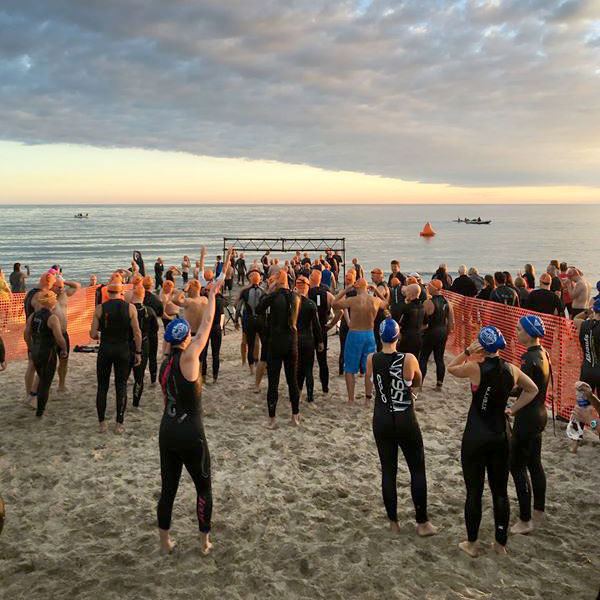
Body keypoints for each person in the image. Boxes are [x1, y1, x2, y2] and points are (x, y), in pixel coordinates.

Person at [447, 326, 538, 558]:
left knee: (474, 492)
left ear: (482, 347)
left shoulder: (474, 368)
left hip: (476, 436)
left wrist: (467, 350)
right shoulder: (512, 369)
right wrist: (513, 410)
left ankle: (472, 544)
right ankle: (500, 544)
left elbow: (451, 368)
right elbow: (532, 389)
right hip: (500, 435)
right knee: (500, 492)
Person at [157, 281, 222, 556]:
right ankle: (204, 541)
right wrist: (213, 294)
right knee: (203, 486)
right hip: (191, 432)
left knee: (168, 489)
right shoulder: (189, 358)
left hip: (167, 429)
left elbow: (167, 398)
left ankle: (164, 541)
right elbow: (207, 325)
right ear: (186, 338)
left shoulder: (165, 364)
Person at [367, 318, 437, 537]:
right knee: (417, 470)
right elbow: (418, 381)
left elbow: (371, 385)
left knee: (389, 470)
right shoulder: (408, 359)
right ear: (398, 337)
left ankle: (393, 523)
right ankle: (422, 523)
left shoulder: (372, 358)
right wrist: (411, 392)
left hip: (382, 418)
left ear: (380, 336)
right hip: (405, 417)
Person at [510, 315, 551, 535]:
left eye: (519, 330)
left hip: (527, 416)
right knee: (535, 463)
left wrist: (511, 409)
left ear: (529, 332)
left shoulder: (528, 358)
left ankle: (525, 520)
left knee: (516, 466)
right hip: (540, 413)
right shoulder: (544, 353)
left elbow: (526, 389)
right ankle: (539, 510)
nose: (517, 333)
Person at [90, 280, 142, 433]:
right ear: (121, 292)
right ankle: (119, 424)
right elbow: (137, 333)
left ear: (107, 293)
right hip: (123, 350)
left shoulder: (100, 308)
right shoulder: (131, 308)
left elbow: (93, 334)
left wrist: (103, 334)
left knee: (102, 386)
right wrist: (138, 352)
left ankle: (102, 424)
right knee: (121, 386)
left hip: (105, 349)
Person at [256, 270, 301, 428]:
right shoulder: (296, 296)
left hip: (275, 342)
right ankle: (295, 417)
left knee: (273, 382)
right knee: (292, 381)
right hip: (292, 341)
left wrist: (269, 290)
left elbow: (259, 309)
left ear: (277, 281)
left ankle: (272, 420)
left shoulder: (273, 296)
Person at [333, 278, 386, 404]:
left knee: (350, 369)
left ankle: (351, 399)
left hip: (355, 334)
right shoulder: (375, 300)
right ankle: (368, 399)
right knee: (369, 369)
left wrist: (346, 289)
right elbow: (386, 304)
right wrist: (377, 292)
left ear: (356, 287)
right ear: (368, 288)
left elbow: (334, 304)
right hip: (369, 335)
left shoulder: (352, 300)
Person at [24, 291, 68, 417]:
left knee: (41, 377)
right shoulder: (52, 318)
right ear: (52, 303)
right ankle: (40, 411)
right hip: (47, 352)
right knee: (45, 383)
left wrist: (30, 347)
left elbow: (26, 334)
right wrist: (64, 349)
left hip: (35, 351)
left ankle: (34, 398)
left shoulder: (33, 316)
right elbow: (59, 338)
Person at [419, 280, 454, 390]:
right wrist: (447, 333)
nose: (427, 288)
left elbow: (422, 321)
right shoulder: (447, 302)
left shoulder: (428, 303)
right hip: (442, 332)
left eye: (429, 287)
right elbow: (451, 322)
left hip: (431, 332)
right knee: (439, 359)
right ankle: (439, 385)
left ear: (434, 289)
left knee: (423, 358)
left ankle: (419, 384)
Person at [127, 277, 156, 408]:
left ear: (133, 295)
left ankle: (123, 400)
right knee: (139, 377)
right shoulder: (149, 311)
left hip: (127, 344)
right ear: (143, 295)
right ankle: (135, 403)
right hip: (143, 343)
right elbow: (155, 329)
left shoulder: (126, 310)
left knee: (123, 376)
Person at [295, 276, 324, 404]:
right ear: (307, 287)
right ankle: (310, 397)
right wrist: (320, 341)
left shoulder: (292, 303)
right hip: (308, 339)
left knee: (298, 368)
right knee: (308, 369)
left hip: (295, 339)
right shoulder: (310, 303)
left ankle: (298, 393)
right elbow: (316, 325)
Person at [51, 276, 81, 392]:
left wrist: (63, 281)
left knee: (64, 360)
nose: (60, 289)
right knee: (50, 363)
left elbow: (77, 286)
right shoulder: (47, 297)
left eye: (62, 287)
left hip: (64, 333)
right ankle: (45, 384)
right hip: (52, 335)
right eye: (58, 287)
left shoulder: (64, 295)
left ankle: (61, 385)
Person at [308, 269, 335, 395]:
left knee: (307, 362)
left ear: (312, 279)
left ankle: (309, 391)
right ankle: (325, 388)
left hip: (308, 330)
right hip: (322, 329)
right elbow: (339, 310)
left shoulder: (305, 293)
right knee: (322, 361)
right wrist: (331, 324)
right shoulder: (327, 294)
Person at [235, 270, 265, 375]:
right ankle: (250, 362)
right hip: (255, 319)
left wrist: (235, 320)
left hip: (249, 318)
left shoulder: (245, 290)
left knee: (252, 342)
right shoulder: (262, 290)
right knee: (250, 341)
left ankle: (253, 364)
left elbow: (237, 305)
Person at [573, 299, 600, 394]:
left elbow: (575, 318)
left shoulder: (583, 324)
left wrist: (587, 311)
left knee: (583, 405)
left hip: (586, 370)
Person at [392, 284, 425, 358]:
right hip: (418, 338)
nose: (405, 294)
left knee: (403, 361)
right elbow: (425, 325)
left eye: (406, 292)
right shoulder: (422, 307)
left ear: (410, 293)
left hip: (407, 339)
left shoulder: (406, 307)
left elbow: (399, 326)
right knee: (415, 360)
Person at [142, 276, 163, 387]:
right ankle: (153, 379)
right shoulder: (156, 300)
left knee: (139, 355)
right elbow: (160, 313)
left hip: (140, 331)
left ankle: (138, 377)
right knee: (152, 357)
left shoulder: (138, 297)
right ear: (152, 285)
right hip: (152, 331)